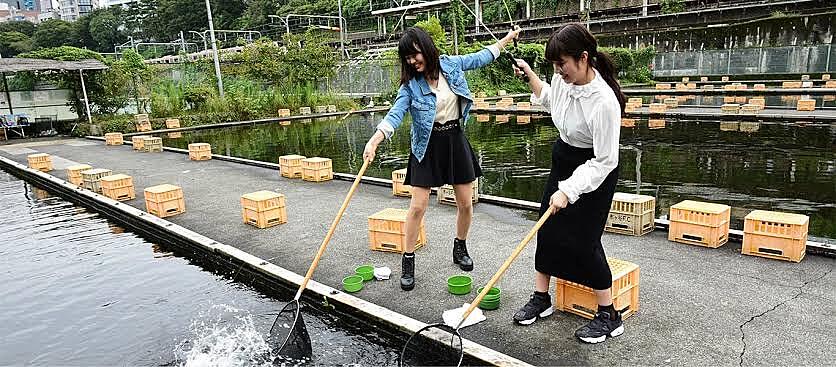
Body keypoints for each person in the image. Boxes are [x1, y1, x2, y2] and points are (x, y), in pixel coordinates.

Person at [363, 26, 521, 291]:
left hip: (454, 139)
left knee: (466, 203)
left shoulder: (451, 65)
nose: (413, 62)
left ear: (426, 48)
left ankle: (459, 247)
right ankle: (408, 260)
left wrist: (506, 39)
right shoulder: (410, 86)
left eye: (415, 55)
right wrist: (375, 139)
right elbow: (395, 114)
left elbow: (482, 57)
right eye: (408, 59)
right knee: (417, 206)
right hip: (427, 146)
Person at [509, 23, 627, 344]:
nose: (558, 71)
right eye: (554, 65)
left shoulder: (604, 102)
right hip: (564, 159)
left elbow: (605, 160)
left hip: (594, 171)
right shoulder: (564, 81)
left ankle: (608, 314)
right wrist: (533, 76)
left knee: (583, 240)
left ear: (584, 58)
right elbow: (551, 100)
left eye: (562, 64)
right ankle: (540, 298)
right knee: (546, 229)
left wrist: (569, 189)